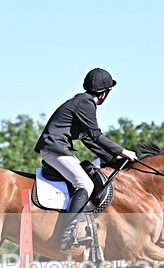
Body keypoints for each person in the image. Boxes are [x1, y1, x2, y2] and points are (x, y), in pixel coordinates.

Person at [35, 67, 138, 250]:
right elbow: (97, 135)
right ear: (104, 94)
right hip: (54, 148)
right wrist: (124, 151)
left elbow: (88, 139)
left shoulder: (81, 102)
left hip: (56, 147)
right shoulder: (86, 103)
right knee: (85, 184)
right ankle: (65, 236)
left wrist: (113, 159)